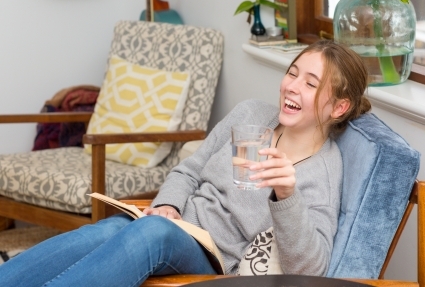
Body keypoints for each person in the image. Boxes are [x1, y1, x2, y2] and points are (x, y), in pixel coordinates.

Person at [0, 40, 371, 287]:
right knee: (108, 230)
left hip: (214, 257)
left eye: (310, 84)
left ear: (338, 106)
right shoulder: (251, 114)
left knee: (150, 234)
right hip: (178, 222)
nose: (292, 87)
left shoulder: (323, 169)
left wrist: (286, 194)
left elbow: (311, 268)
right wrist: (166, 204)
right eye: (292, 73)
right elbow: (190, 169)